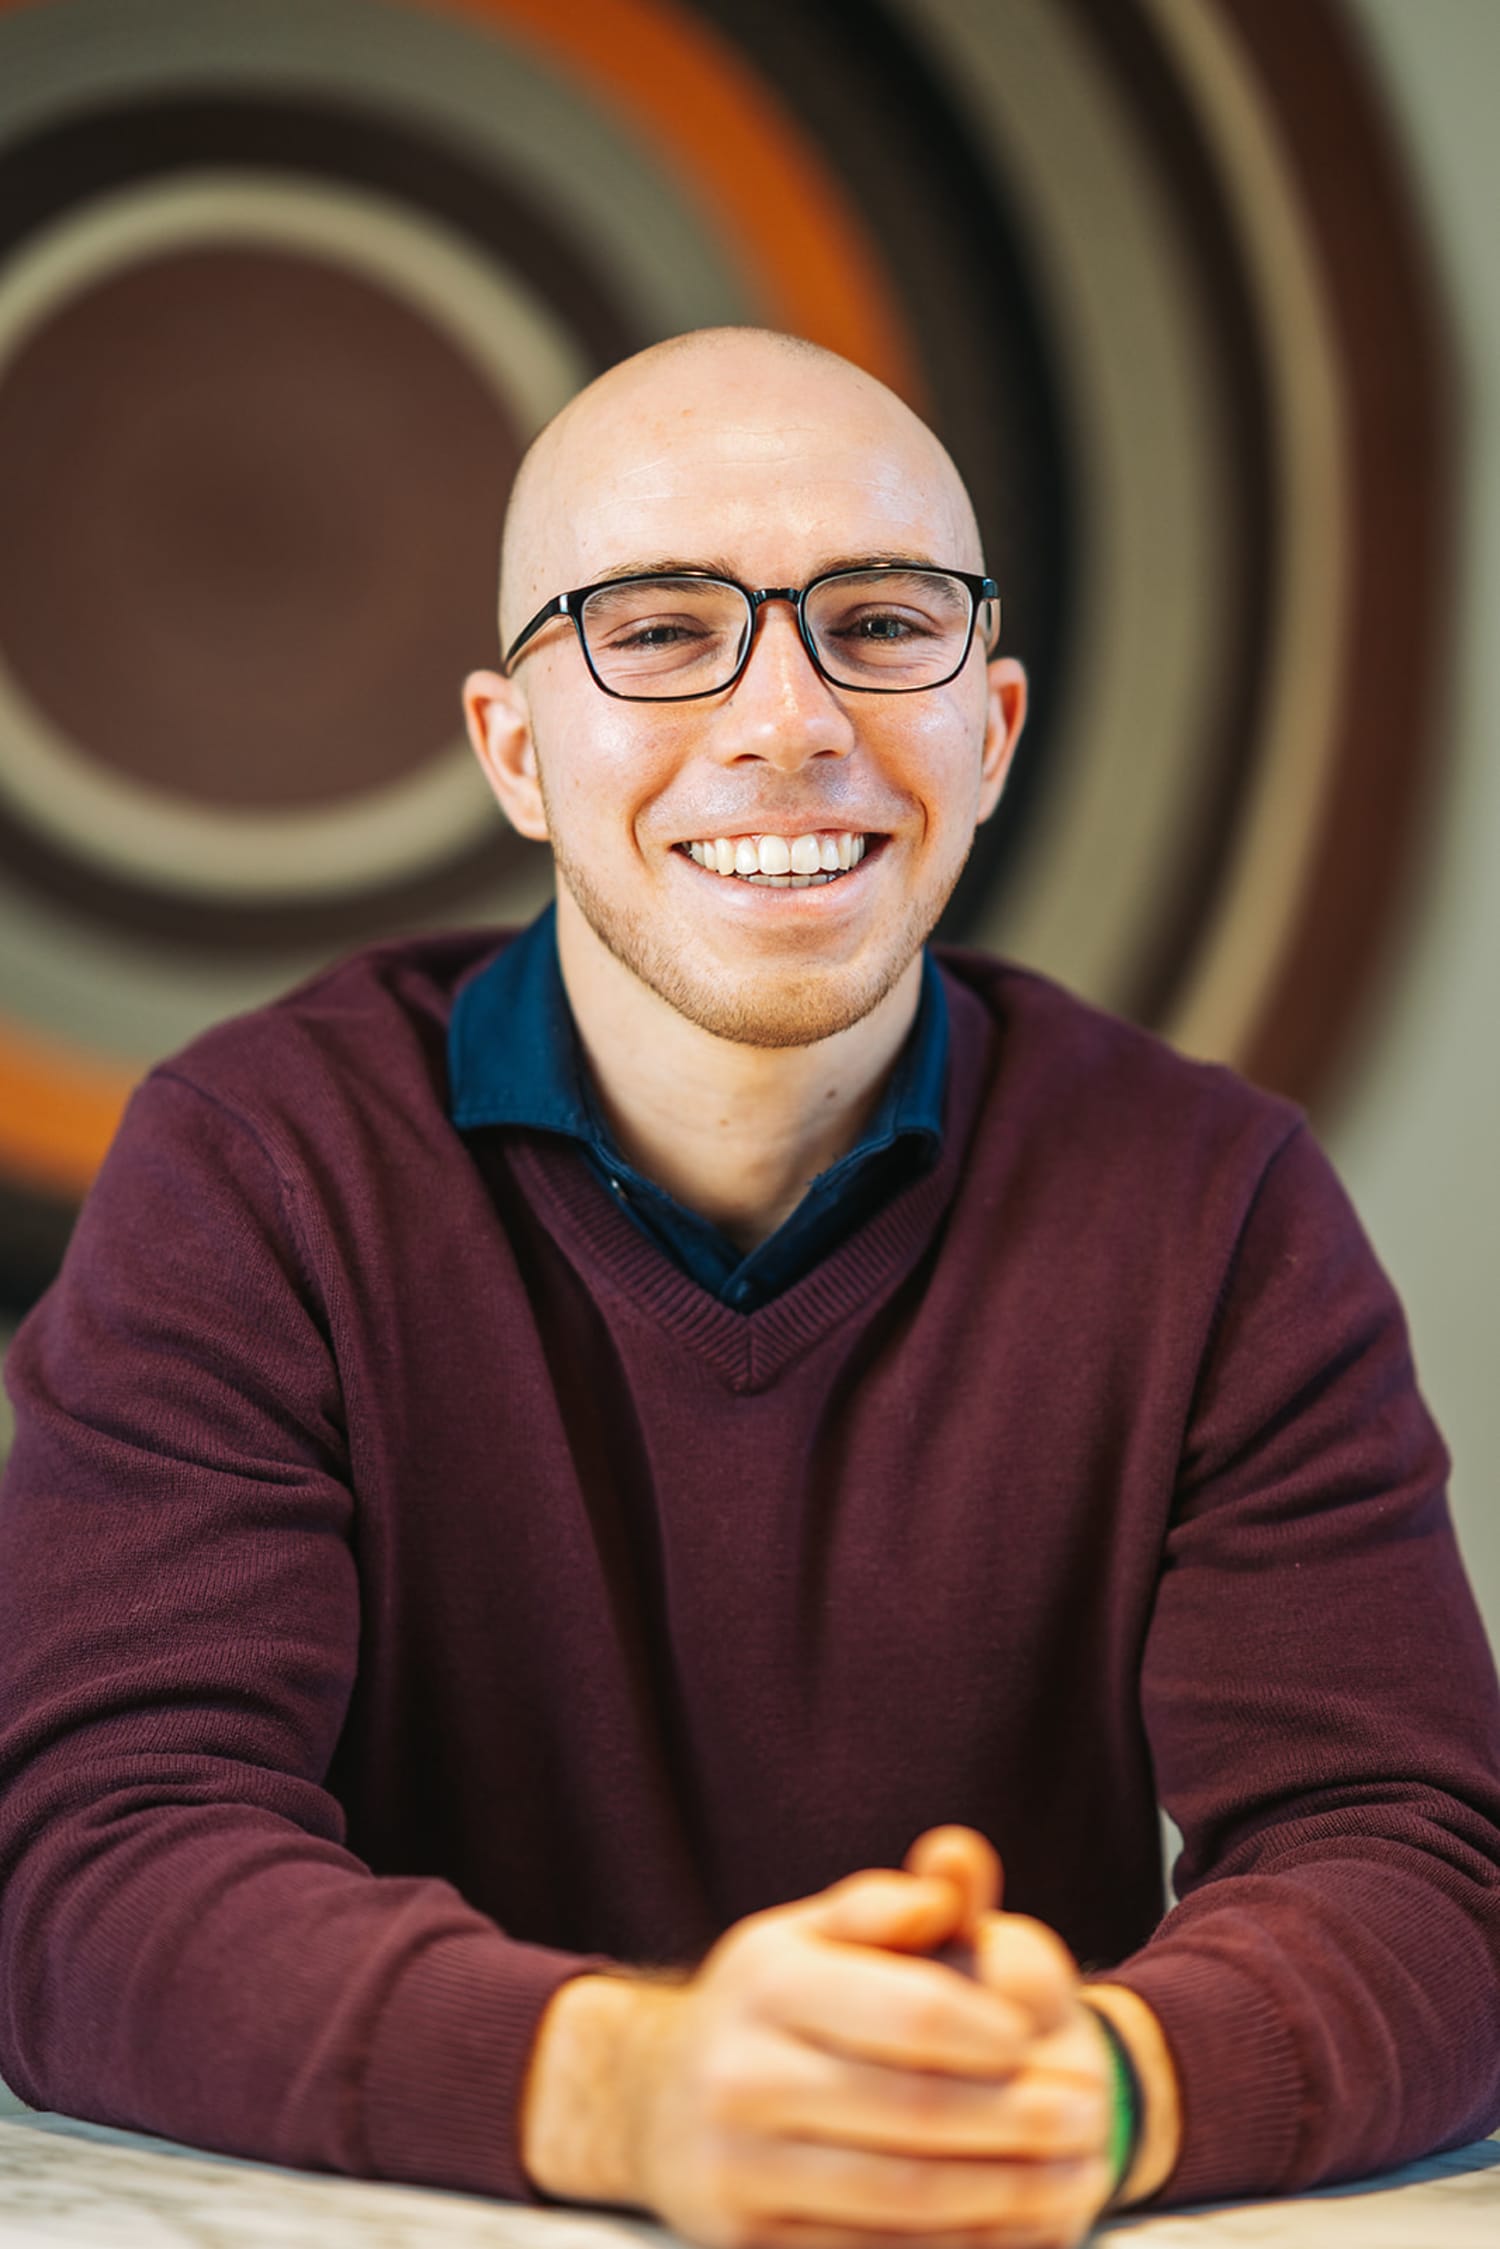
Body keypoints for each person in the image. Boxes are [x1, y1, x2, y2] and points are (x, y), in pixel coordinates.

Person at [1, 327, 1498, 2248]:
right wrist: (636, 2084)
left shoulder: (1218, 1204)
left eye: (881, 625)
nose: (787, 718)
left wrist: (1091, 2092)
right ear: (516, 749)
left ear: (994, 731)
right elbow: (92, 1871)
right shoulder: (255, 1167)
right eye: (658, 624)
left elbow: (1419, 1869)